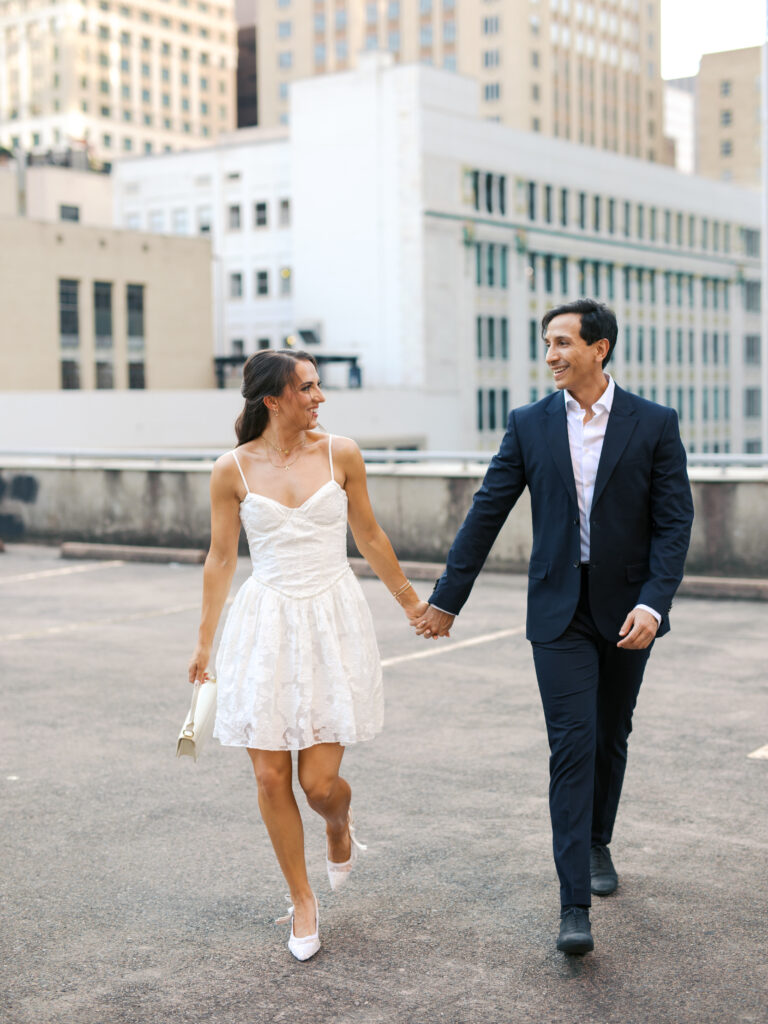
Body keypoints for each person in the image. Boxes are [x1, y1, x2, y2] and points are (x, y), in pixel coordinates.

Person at [414, 299, 694, 955]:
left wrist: (654, 604)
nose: (551, 356)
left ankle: (598, 841)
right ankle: (573, 906)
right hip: (558, 611)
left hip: (628, 609)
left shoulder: (653, 423)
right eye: (546, 343)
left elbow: (674, 523)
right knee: (573, 744)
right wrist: (447, 599)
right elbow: (487, 511)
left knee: (610, 734)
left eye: (563, 342)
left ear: (600, 348)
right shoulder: (530, 424)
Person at [188, 349, 427, 962]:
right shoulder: (231, 471)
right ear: (273, 399)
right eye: (308, 387)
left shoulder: (340, 453)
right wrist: (204, 642)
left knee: (320, 785)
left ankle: (338, 826)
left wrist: (409, 603)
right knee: (270, 775)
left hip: (330, 621)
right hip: (263, 625)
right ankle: (302, 900)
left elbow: (369, 535)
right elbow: (220, 559)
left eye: (319, 386)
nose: (320, 397)